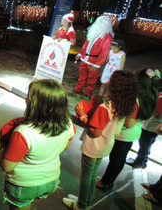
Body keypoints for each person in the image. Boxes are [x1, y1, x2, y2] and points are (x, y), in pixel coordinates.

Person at [63, 70, 138, 210]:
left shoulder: (105, 108)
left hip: (93, 146)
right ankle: (85, 200)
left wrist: (82, 115)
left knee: (87, 176)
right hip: (106, 145)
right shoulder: (123, 107)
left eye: (110, 82)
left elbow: (95, 132)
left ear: (113, 88)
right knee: (92, 175)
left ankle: (81, 205)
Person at [0, 79, 75, 210]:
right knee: (31, 200)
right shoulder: (68, 123)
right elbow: (66, 145)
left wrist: (3, 142)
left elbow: (7, 166)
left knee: (23, 203)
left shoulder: (24, 132)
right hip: (51, 180)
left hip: (24, 185)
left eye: (29, 95)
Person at [95, 68, 159, 191]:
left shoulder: (135, 99)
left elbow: (128, 123)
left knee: (115, 160)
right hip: (134, 133)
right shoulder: (150, 97)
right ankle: (109, 180)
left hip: (124, 133)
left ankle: (106, 182)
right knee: (120, 159)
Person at [125, 70, 161, 168]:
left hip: (151, 126)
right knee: (147, 144)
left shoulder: (160, 97)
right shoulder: (156, 95)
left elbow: (157, 114)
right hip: (154, 126)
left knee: (144, 145)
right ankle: (142, 160)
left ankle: (139, 161)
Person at [74, 16, 114, 99]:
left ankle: (88, 93)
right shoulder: (93, 32)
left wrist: (97, 64)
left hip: (94, 61)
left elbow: (104, 52)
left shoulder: (107, 37)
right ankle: (78, 89)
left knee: (92, 79)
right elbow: (86, 44)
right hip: (85, 58)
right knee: (82, 75)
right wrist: (80, 53)